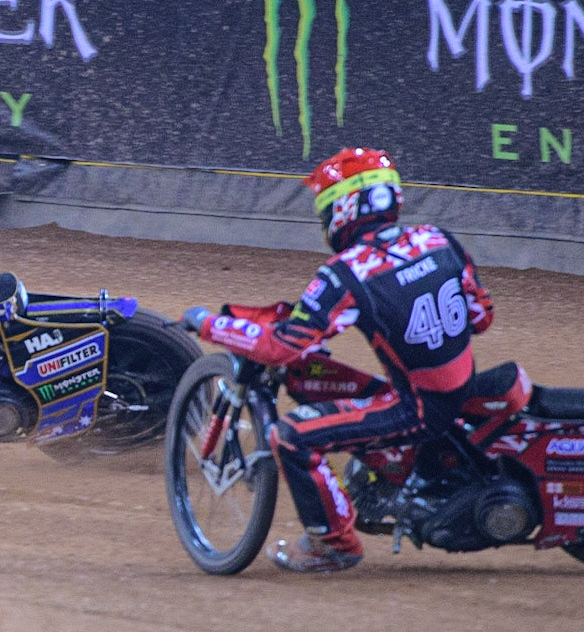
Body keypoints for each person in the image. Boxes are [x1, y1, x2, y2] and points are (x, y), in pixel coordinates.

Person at [183, 147, 524, 573]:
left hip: (420, 408)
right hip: (458, 385)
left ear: (341, 209)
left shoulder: (345, 273)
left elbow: (282, 348)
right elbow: (482, 317)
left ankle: (334, 544)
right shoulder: (438, 239)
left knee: (292, 434)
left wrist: (208, 324)